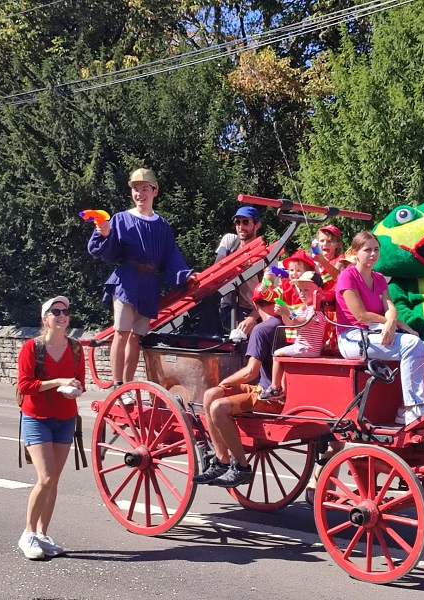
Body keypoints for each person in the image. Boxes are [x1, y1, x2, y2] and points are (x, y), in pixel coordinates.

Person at [87, 168, 194, 389]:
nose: (139, 194)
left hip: (148, 286)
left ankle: (128, 385)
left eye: (144, 188)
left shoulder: (162, 225)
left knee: (136, 338)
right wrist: (104, 234)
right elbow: (107, 251)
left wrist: (186, 275)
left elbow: (171, 256)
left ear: (155, 191)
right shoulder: (121, 219)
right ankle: (118, 385)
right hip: (126, 282)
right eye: (136, 189)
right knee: (121, 333)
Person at [335, 231, 424, 425]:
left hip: (374, 332)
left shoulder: (379, 278)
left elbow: (390, 307)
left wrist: (392, 322)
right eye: (367, 250)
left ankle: (405, 409)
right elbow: (360, 315)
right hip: (353, 338)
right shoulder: (347, 276)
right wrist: (390, 322)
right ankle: (413, 408)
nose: (373, 254)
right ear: (355, 252)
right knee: (411, 343)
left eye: (376, 249)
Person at [193, 283, 286, 488]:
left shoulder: (262, 329)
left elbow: (251, 372)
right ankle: (221, 461)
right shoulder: (286, 324)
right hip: (271, 390)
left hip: (270, 396)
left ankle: (241, 467)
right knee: (211, 395)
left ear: (256, 305)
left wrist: (225, 382)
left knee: (217, 406)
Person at [16, 296, 85, 560]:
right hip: (37, 418)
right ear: (45, 319)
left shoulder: (76, 348)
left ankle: (43, 535)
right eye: (55, 311)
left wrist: (74, 389)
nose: (61, 315)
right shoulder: (32, 347)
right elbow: (25, 386)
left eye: (65, 311)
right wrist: (57, 382)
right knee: (45, 478)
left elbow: (80, 381)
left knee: (54, 480)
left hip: (65, 418)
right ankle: (28, 534)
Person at [260, 270, 327, 400]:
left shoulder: (317, 311)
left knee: (277, 353)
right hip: (302, 347)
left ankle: (275, 387)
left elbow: (304, 323)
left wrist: (288, 312)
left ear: (318, 292)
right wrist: (283, 313)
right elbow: (291, 324)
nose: (302, 293)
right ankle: (282, 389)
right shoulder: (302, 309)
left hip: (308, 349)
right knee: (282, 355)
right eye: (300, 290)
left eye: (306, 290)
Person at [216, 206, 264, 335]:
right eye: (237, 222)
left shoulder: (266, 254)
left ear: (257, 225)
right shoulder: (230, 241)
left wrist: (251, 318)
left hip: (255, 309)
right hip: (231, 308)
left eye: (245, 222)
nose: (241, 226)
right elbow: (217, 270)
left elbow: (268, 292)